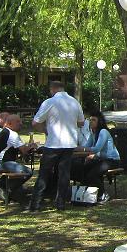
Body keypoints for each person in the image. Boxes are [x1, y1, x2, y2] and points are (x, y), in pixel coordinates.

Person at [29, 81, 84, 212]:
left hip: (53, 143)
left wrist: (45, 130)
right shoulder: (74, 102)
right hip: (69, 143)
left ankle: (36, 203)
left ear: (53, 89)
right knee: (64, 174)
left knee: (44, 173)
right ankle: (60, 203)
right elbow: (81, 122)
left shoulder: (49, 102)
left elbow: (35, 122)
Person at [0, 114, 35, 200]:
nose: (21, 123)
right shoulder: (12, 134)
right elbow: (24, 150)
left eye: (20, 121)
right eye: (18, 122)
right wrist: (32, 146)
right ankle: (3, 188)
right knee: (27, 171)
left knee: (17, 171)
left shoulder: (2, 132)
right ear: (9, 123)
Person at [73, 112, 120, 203]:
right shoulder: (93, 133)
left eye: (94, 120)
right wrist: (76, 150)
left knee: (93, 174)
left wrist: (81, 148)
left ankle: (103, 195)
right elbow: (87, 147)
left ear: (100, 122)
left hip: (112, 160)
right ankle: (85, 194)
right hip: (102, 160)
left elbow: (96, 149)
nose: (91, 122)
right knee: (84, 168)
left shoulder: (103, 132)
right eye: (90, 120)